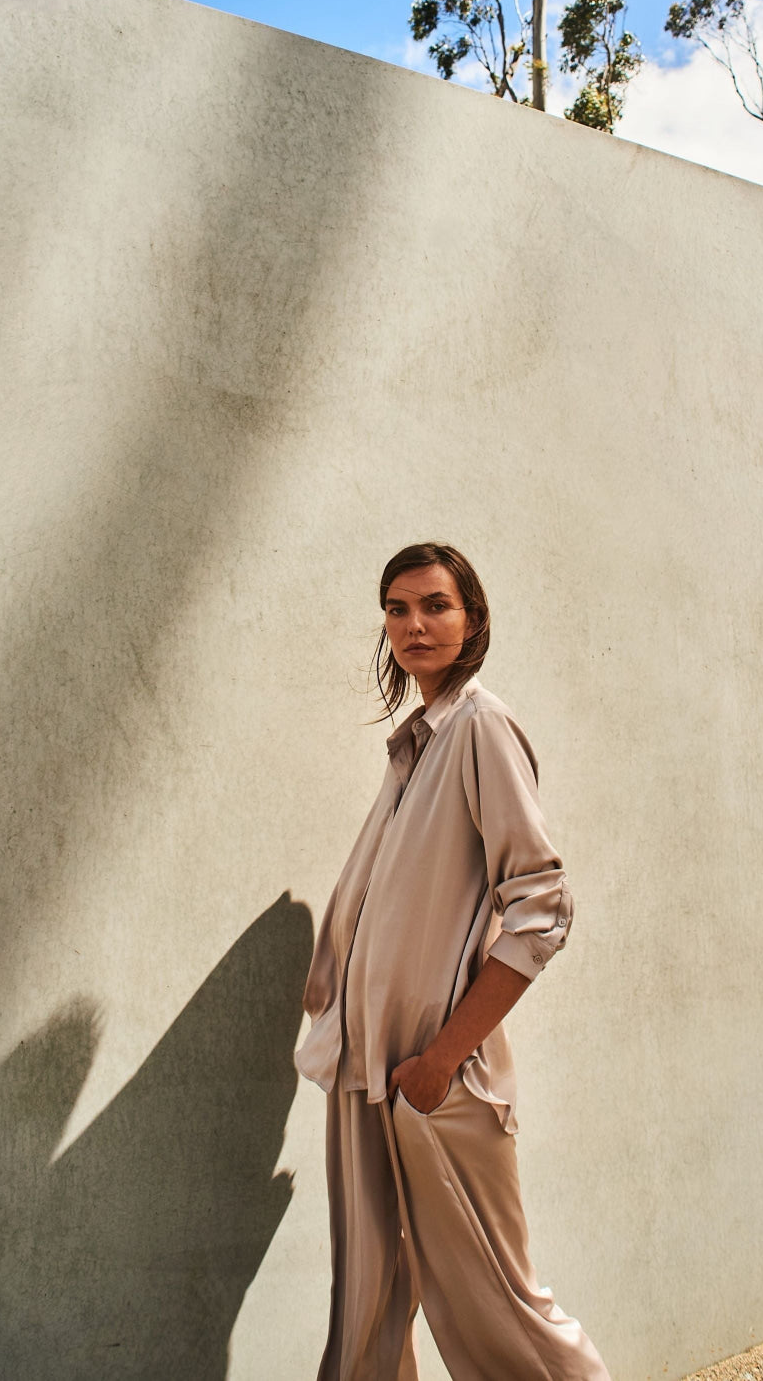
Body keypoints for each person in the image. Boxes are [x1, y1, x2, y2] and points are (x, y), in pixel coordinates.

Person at [296, 542, 611, 1381]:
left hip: (436, 1080)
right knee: (364, 1307)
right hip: (370, 1072)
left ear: (472, 619)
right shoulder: (418, 746)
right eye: (397, 609)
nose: (414, 625)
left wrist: (439, 1061)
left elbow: (541, 907)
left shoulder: (479, 727)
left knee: (505, 1315)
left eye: (435, 605)